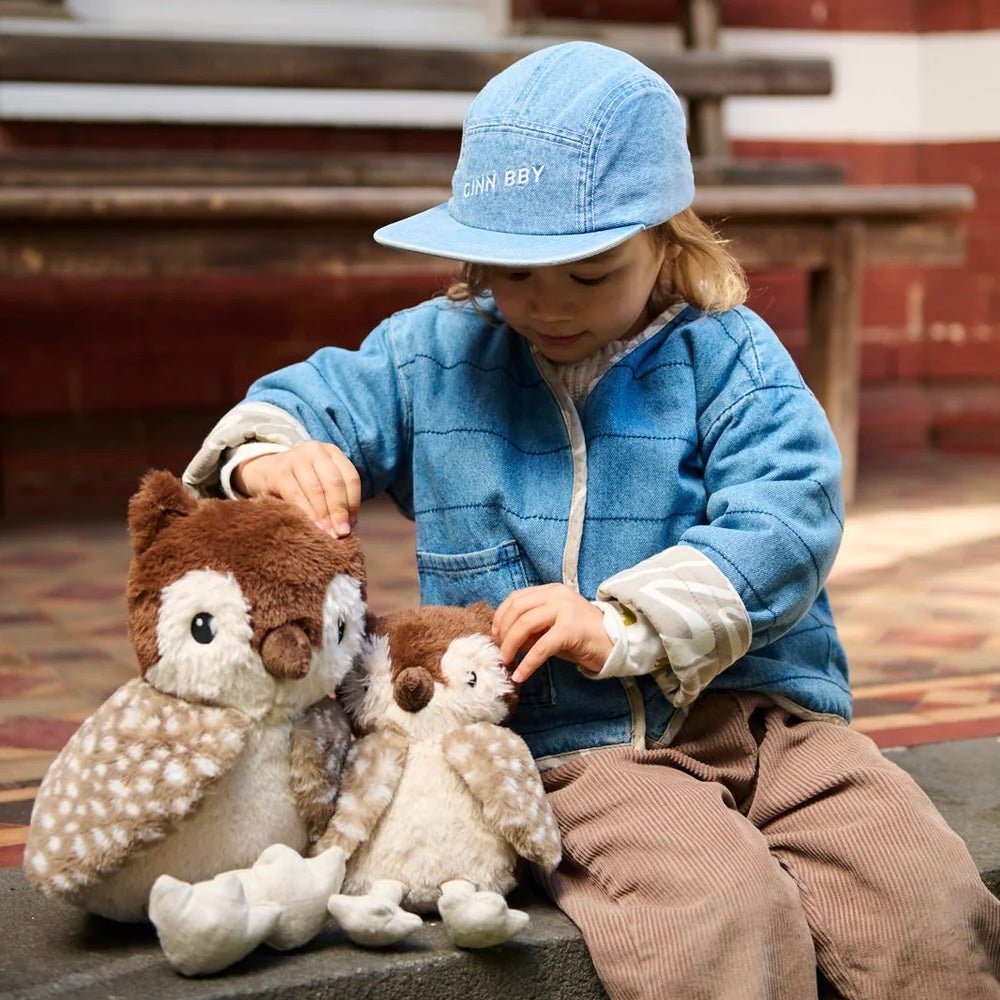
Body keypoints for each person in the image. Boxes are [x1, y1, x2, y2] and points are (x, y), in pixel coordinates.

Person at [183, 41, 1000, 1000]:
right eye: (514, 273)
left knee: (922, 890)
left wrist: (621, 623)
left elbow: (790, 516)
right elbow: (304, 400)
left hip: (770, 720)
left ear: (669, 239)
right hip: (580, 751)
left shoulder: (728, 357)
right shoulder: (432, 355)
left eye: (587, 273)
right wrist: (273, 451)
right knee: (720, 911)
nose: (545, 305)